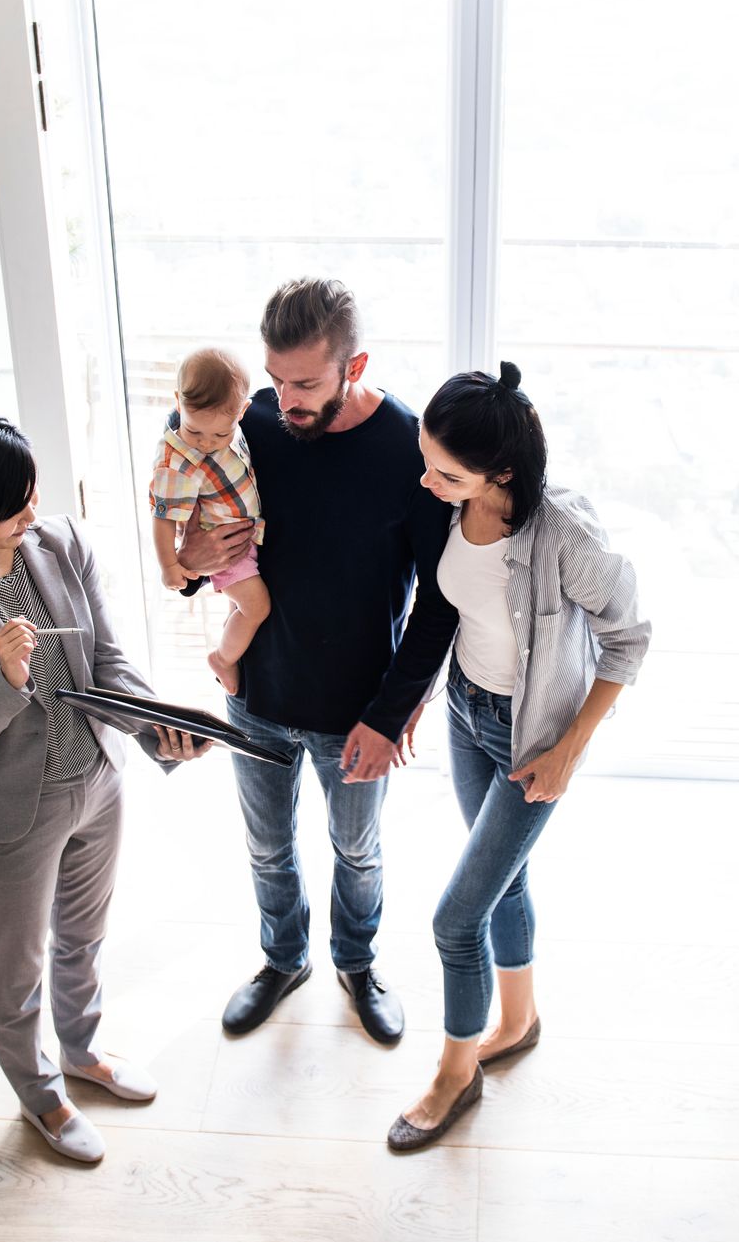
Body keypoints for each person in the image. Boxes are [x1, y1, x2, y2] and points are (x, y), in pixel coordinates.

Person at [0, 407, 213, 1164]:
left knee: (85, 938)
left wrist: (160, 725)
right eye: (15, 501)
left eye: (33, 492)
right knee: (15, 965)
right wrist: (7, 680)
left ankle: (82, 1051)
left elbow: (108, 667)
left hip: (97, 781)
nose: (34, 511)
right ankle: (39, 1093)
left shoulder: (59, 544)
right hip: (9, 817)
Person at [174, 278, 458, 1046]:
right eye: (274, 377)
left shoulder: (408, 447)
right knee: (266, 845)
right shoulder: (251, 423)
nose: (283, 397)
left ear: (353, 364)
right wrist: (193, 559)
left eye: (304, 382)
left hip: (357, 710)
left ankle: (357, 962)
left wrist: (391, 711)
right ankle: (283, 957)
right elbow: (200, 531)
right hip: (258, 693)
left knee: (357, 849)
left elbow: (440, 600)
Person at [385, 363, 650, 1152]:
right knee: (505, 883)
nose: (428, 481)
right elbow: (455, 613)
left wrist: (571, 748)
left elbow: (629, 638)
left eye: (447, 471)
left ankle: (453, 1074)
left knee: (455, 919)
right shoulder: (454, 505)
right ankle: (519, 1019)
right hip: (469, 710)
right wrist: (418, 698)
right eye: (426, 460)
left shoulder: (566, 535)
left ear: (502, 470)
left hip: (530, 736)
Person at [148, 347, 270, 695]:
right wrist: (171, 565)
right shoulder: (178, 460)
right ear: (177, 403)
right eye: (195, 431)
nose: (205, 443)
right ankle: (222, 659)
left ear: (242, 411)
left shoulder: (232, 422)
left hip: (244, 538)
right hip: (224, 548)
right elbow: (163, 518)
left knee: (239, 606)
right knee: (256, 607)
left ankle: (230, 649)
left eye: (219, 435)